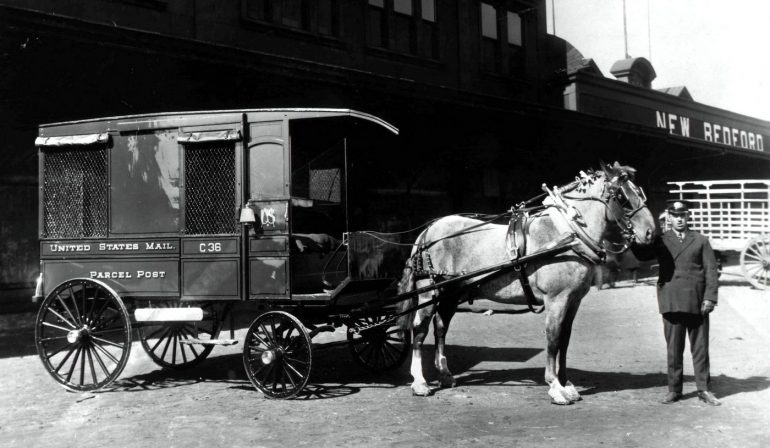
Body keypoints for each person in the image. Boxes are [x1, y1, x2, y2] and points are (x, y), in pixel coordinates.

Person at [632, 200, 721, 406]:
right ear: (669, 218)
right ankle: (674, 390)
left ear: (688, 217)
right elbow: (643, 255)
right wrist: (632, 239)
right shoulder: (661, 240)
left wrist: (710, 297)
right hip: (671, 301)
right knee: (674, 349)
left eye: (682, 216)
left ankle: (704, 389)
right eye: (675, 216)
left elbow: (711, 270)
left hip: (697, 302)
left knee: (700, 349)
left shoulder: (701, 240)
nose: (679, 219)